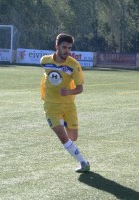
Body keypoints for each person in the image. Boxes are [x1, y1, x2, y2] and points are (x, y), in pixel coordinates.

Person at [40, 33, 90, 173]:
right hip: (50, 106)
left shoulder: (74, 65)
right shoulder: (45, 61)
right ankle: (83, 162)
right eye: (64, 47)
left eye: (69, 48)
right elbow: (47, 74)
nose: (67, 51)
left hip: (68, 105)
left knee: (73, 137)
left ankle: (65, 123)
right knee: (63, 137)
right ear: (57, 46)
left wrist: (69, 92)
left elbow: (80, 88)